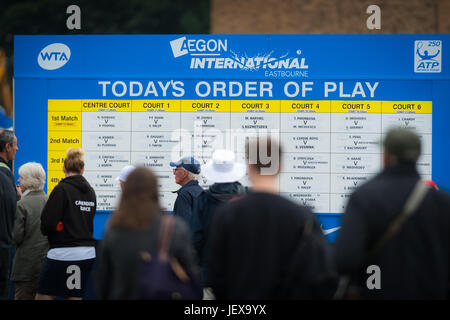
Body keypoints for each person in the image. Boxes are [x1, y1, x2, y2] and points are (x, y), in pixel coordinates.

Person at [207, 137, 330, 299]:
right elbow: (320, 275)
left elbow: (215, 275)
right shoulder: (302, 217)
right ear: (279, 167)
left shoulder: (226, 215)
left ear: (249, 167)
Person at [335, 128, 450, 299]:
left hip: (377, 291)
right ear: (418, 156)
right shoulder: (441, 202)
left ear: (387, 155)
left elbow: (346, 259)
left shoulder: (364, 197)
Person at [95, 167, 199, 299]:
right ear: (155, 190)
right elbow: (191, 276)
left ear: (125, 190)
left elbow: (104, 281)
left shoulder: (114, 230)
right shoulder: (175, 228)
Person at [36, 148, 97, 300]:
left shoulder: (61, 189)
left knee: (44, 295)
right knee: (74, 296)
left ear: (63, 168)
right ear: (82, 169)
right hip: (87, 253)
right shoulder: (91, 192)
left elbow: (48, 223)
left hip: (62, 253)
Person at [191, 149, 246, 299]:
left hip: (210, 273)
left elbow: (196, 237)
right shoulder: (247, 197)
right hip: (242, 274)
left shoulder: (203, 199)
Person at [11, 162, 48, 300]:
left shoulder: (21, 204)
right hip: (46, 265)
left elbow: (16, 237)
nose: (18, 180)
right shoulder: (50, 201)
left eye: (21, 177)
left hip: (26, 267)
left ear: (29, 180)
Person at [0, 129, 19, 299]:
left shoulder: (6, 175)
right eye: (15, 145)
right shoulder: (4, 176)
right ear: (7, 147)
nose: (17, 149)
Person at [170, 156, 203, 225]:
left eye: (176, 170)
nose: (174, 173)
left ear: (184, 173)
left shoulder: (185, 194)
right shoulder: (200, 191)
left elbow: (183, 226)